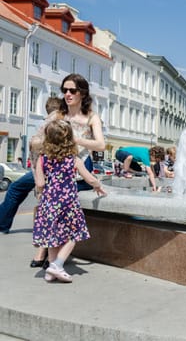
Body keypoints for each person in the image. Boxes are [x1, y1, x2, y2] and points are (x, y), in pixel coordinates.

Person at [0, 73, 105, 235]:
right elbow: (35, 141)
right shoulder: (57, 115)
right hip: (52, 163)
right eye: (65, 90)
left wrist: (74, 139)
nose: (67, 94)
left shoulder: (91, 117)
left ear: (82, 93)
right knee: (15, 188)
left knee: (55, 193)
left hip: (77, 165)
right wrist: (38, 166)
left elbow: (100, 145)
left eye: (72, 90)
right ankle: (2, 225)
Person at [33, 120, 106, 283]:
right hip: (68, 203)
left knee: (52, 237)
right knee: (73, 235)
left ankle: (50, 272)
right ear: (69, 139)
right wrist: (98, 186)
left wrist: (41, 193)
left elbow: (40, 183)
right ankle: (58, 264)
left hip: (49, 202)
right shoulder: (73, 159)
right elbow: (89, 179)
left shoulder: (42, 159)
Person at [29, 97, 63, 268]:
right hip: (56, 173)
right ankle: (49, 256)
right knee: (54, 216)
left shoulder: (43, 123)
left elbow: (33, 146)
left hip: (41, 169)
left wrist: (37, 175)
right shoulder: (60, 120)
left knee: (45, 214)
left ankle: (42, 253)